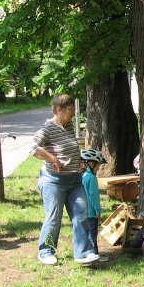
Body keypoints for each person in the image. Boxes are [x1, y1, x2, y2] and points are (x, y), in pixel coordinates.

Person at [30, 94, 100, 265]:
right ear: (58, 110)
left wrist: (79, 163)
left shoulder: (67, 125)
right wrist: (52, 159)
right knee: (53, 217)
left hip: (74, 179)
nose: (73, 113)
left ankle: (82, 253)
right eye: (70, 110)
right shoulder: (47, 128)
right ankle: (45, 252)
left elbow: (70, 148)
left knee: (80, 214)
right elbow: (33, 148)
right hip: (53, 181)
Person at [80, 149, 107, 259]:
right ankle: (94, 254)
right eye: (98, 166)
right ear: (91, 163)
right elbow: (94, 196)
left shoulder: (82, 176)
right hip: (91, 212)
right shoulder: (91, 178)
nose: (98, 168)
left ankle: (84, 253)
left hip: (82, 211)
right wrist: (98, 210)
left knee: (84, 233)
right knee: (92, 235)